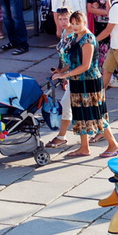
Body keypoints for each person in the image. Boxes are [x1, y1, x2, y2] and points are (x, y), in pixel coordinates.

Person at [51, 11, 118, 158]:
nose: (75, 26)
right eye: (73, 23)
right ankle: (84, 148)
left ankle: (113, 145)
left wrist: (66, 75)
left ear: (85, 23)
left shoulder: (88, 39)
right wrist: (60, 70)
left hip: (89, 82)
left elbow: (85, 66)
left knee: (96, 115)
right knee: (80, 115)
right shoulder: (76, 37)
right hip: (78, 81)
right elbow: (72, 62)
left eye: (78, 23)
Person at [87, 0, 118, 89]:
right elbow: (90, 8)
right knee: (103, 49)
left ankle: (108, 74)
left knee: (112, 48)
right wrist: (106, 11)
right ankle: (106, 76)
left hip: (114, 20)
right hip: (101, 23)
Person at [45, 8, 75, 149]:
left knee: (66, 104)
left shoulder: (76, 35)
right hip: (68, 75)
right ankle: (102, 133)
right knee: (82, 106)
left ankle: (61, 136)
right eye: (60, 19)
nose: (63, 22)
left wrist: (64, 74)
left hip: (76, 75)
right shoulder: (64, 32)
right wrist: (61, 72)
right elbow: (63, 57)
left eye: (65, 19)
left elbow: (75, 60)